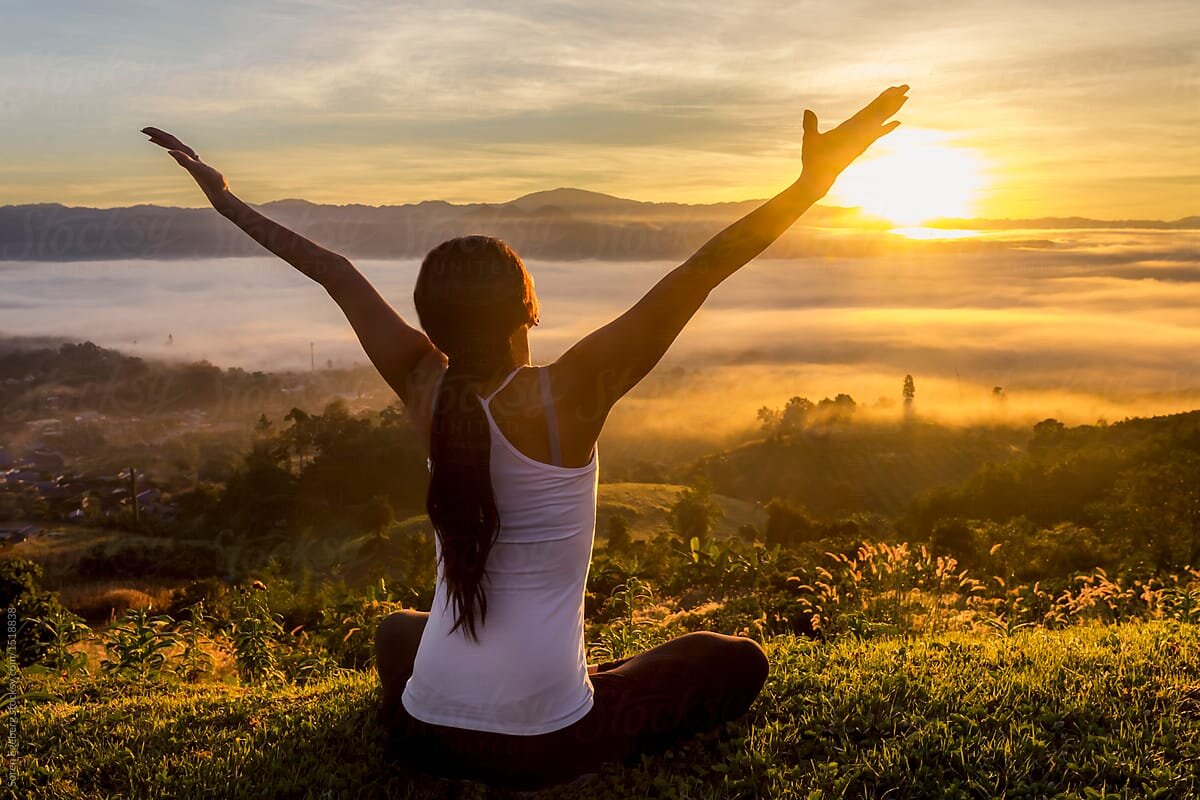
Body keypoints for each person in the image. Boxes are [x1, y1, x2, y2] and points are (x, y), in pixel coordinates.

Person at [141, 83, 908, 790]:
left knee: (394, 632)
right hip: (546, 747)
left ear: (430, 323)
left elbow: (336, 273)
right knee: (738, 661)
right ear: (527, 311)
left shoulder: (420, 384)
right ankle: (578, 680)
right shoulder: (569, 395)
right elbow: (703, 269)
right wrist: (813, 185)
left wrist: (224, 199)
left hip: (423, 730)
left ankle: (523, 679)